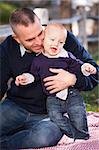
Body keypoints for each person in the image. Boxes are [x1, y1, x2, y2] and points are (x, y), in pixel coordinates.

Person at [0, 8, 98, 149]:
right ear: (17, 39)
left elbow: (95, 73)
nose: (39, 41)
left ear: (41, 23)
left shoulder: (62, 39)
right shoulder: (7, 48)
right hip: (16, 106)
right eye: (30, 39)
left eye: (40, 33)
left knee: (44, 137)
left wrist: (73, 79)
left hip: (50, 114)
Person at [15, 23, 97, 142]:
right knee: (55, 117)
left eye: (60, 42)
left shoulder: (66, 56)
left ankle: (82, 137)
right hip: (52, 97)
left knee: (78, 113)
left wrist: (86, 68)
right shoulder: (38, 60)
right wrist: (25, 78)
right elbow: (34, 75)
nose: (55, 44)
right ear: (44, 39)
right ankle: (71, 133)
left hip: (71, 93)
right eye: (52, 40)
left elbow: (79, 66)